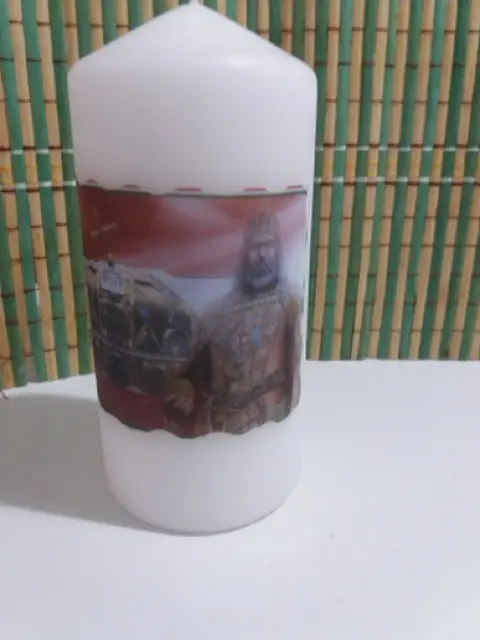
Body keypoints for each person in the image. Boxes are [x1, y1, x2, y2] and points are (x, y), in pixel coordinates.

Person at [202, 214, 303, 435]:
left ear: (278, 250)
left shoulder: (291, 304)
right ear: (244, 252)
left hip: (268, 426)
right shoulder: (218, 312)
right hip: (220, 425)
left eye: (268, 245)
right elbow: (201, 371)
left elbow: (291, 376)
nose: (262, 255)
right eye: (255, 246)